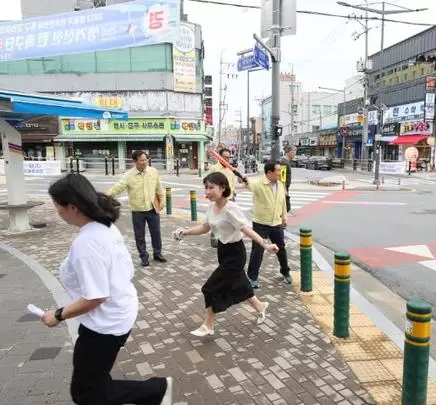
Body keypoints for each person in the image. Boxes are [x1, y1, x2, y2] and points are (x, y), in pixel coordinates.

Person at [42, 174, 172, 405]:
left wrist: (58, 315)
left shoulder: (87, 243)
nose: (57, 213)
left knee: (86, 392)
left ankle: (157, 390)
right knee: (91, 383)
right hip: (117, 312)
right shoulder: (103, 225)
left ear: (72, 207)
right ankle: (156, 391)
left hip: (105, 323)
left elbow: (96, 297)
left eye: (58, 207)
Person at [176, 172, 275, 337]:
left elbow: (246, 229)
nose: (207, 191)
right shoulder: (211, 207)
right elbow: (206, 227)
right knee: (241, 284)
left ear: (223, 188)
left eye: (211, 187)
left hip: (235, 254)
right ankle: (260, 306)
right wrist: (185, 232)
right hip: (223, 251)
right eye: (205, 187)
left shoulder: (231, 209)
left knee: (209, 288)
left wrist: (265, 244)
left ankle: (208, 325)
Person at [107, 151, 166, 267]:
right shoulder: (128, 175)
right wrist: (105, 197)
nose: (145, 162)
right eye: (142, 160)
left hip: (153, 208)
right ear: (135, 162)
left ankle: (157, 253)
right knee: (139, 235)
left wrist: (162, 200)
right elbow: (117, 188)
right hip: (137, 210)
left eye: (146, 160)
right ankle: (143, 256)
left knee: (156, 232)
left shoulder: (153, 172)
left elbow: (159, 188)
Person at [243, 161, 291, 289]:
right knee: (257, 251)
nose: (280, 173)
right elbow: (250, 185)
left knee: (281, 249)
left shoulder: (280, 185)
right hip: (260, 223)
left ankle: (285, 272)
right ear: (269, 172)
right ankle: (252, 277)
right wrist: (245, 180)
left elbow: (283, 203)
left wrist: (284, 217)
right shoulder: (259, 183)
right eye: (278, 171)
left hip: (276, 223)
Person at [208, 148, 237, 248]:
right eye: (225, 157)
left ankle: (227, 239)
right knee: (216, 220)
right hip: (218, 200)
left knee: (229, 220)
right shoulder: (214, 169)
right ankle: (214, 240)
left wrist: (233, 194)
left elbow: (233, 183)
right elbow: (209, 184)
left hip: (229, 198)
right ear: (219, 157)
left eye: (229, 157)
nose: (227, 159)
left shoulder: (230, 169)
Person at [280, 146, 296, 213]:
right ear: (290, 152)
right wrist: (284, 189)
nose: (295, 154)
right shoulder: (284, 162)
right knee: (285, 208)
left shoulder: (286, 161)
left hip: (285, 187)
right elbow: (282, 176)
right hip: (283, 187)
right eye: (294, 152)